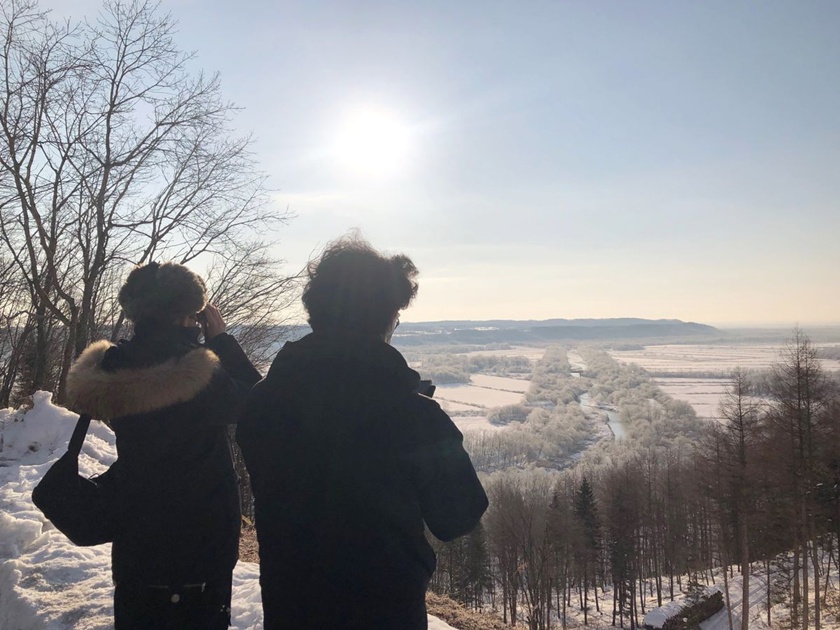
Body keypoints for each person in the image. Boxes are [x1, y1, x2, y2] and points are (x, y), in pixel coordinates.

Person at [237, 236, 489, 629]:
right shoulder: (412, 416)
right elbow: (458, 516)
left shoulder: (262, 401)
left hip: (291, 609)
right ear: (386, 318)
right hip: (385, 613)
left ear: (315, 311)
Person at [66, 262, 261, 629]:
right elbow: (256, 401)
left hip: (137, 535)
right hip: (202, 539)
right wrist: (221, 340)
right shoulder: (198, 374)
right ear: (187, 316)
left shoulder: (112, 365)